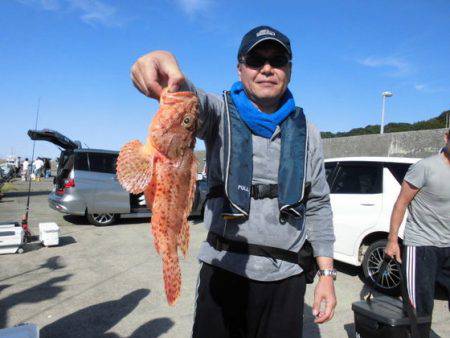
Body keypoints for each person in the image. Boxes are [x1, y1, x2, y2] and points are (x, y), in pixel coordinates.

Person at [131, 25, 336, 337]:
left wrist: (327, 274)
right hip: (224, 272)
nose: (267, 68)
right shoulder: (218, 112)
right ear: (240, 70)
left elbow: (319, 204)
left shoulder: (309, 131)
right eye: (256, 60)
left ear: (289, 70)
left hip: (287, 280)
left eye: (277, 59)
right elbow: (186, 100)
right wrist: (162, 61)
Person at [385, 129, 450, 323]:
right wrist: (392, 240)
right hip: (422, 245)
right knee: (418, 309)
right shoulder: (425, 167)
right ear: (446, 138)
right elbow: (401, 203)